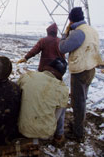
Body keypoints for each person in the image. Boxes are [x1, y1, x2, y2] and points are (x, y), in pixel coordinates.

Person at [59, 7, 101, 143]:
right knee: (82, 99)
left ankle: (78, 133)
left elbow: (62, 48)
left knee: (78, 102)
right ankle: (79, 125)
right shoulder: (91, 30)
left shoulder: (78, 33)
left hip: (81, 71)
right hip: (91, 69)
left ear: (71, 20)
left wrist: (65, 34)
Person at [17, 58, 69, 145]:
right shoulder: (63, 88)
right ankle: (58, 135)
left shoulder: (28, 76)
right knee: (62, 105)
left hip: (21, 127)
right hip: (46, 132)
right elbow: (58, 115)